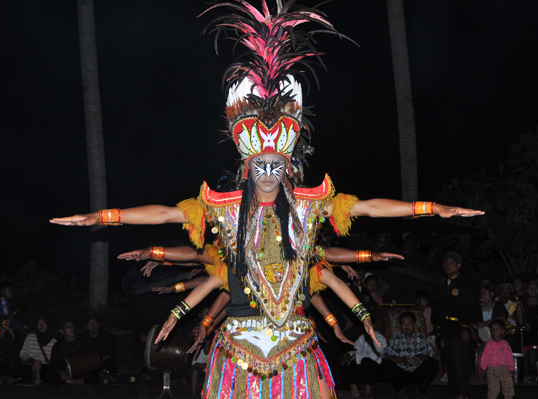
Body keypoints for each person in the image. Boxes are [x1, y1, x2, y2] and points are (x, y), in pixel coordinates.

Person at [49, 2, 483, 397]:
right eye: (261, 165)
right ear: (246, 166)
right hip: (238, 349)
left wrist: (431, 208)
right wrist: (102, 217)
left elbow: (368, 206)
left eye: (278, 164)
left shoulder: (310, 205)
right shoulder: (223, 208)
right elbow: (165, 212)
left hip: (297, 347)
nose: (269, 174)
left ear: (290, 165)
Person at [434, 252, 474, 399]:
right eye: (445, 262)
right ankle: (454, 393)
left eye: (451, 263)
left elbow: (467, 307)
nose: (447, 265)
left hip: (458, 328)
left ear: (458, 266)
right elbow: (440, 308)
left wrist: (465, 328)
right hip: (446, 329)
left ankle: (463, 393)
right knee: (449, 362)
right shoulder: (443, 283)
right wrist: (440, 332)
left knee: (460, 362)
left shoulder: (463, 283)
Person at [381, 312, 438, 399]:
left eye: (409, 323)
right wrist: (401, 359)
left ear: (415, 324)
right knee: (386, 365)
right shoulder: (395, 340)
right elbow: (384, 357)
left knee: (433, 364)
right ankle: (400, 391)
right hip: (401, 373)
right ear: (400, 325)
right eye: (404, 323)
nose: (406, 326)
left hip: (417, 373)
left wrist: (420, 357)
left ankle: (421, 392)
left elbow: (431, 357)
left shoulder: (422, 338)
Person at [341, 331, 387, 399]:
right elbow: (355, 351)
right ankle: (354, 391)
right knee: (349, 360)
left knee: (366, 361)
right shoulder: (361, 337)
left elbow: (375, 356)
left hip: (377, 370)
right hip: (363, 370)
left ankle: (368, 391)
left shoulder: (379, 337)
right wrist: (348, 355)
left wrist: (357, 356)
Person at [50, 318, 95, 384]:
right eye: (67, 327)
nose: (71, 329)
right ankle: (70, 381)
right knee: (52, 377)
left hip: (82, 371)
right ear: (62, 331)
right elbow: (54, 363)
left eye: (72, 326)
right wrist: (61, 373)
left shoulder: (84, 341)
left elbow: (91, 358)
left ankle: (77, 381)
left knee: (93, 376)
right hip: (66, 373)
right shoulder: (58, 346)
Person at [480, 320, 515, 399]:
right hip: (492, 369)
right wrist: (484, 367)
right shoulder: (489, 344)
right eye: (492, 330)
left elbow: (509, 356)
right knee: (493, 388)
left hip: (504, 369)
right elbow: (485, 356)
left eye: (497, 329)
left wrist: (511, 368)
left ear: (502, 331)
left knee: (508, 387)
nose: (494, 332)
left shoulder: (505, 344)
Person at [19, 316, 57, 383]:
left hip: (45, 367)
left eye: (44, 323)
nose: (42, 325)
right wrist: (33, 361)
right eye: (39, 324)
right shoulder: (30, 337)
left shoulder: (53, 341)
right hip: (30, 365)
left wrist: (39, 364)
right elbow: (23, 354)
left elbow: (53, 359)